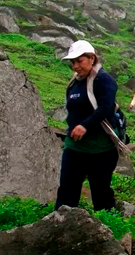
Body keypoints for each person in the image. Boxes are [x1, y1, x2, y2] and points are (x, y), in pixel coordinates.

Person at [55, 40, 119, 211]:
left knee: (101, 191)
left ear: (92, 58)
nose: (75, 66)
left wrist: (85, 126)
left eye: (79, 61)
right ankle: (61, 224)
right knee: (67, 188)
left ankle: (109, 229)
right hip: (75, 146)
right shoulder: (74, 83)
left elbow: (106, 107)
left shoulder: (103, 79)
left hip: (100, 148)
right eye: (73, 62)